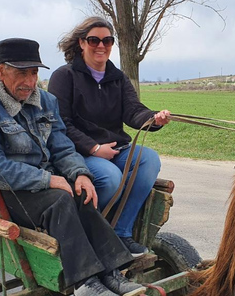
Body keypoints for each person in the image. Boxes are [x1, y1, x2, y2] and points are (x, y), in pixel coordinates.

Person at [0, 37, 146, 296]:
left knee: (81, 192)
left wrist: (79, 173)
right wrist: (48, 179)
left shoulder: (44, 101)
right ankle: (84, 281)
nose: (30, 82)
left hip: (35, 180)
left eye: (33, 73)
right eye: (21, 73)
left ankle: (111, 271)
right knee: (60, 200)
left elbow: (61, 145)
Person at [47, 17, 170, 257]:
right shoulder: (64, 76)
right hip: (79, 153)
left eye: (107, 40)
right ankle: (93, 236)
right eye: (94, 40)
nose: (100, 45)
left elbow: (133, 111)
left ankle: (121, 233)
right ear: (82, 43)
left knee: (149, 160)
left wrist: (154, 119)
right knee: (111, 178)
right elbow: (61, 123)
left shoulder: (118, 77)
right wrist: (93, 148)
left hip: (115, 149)